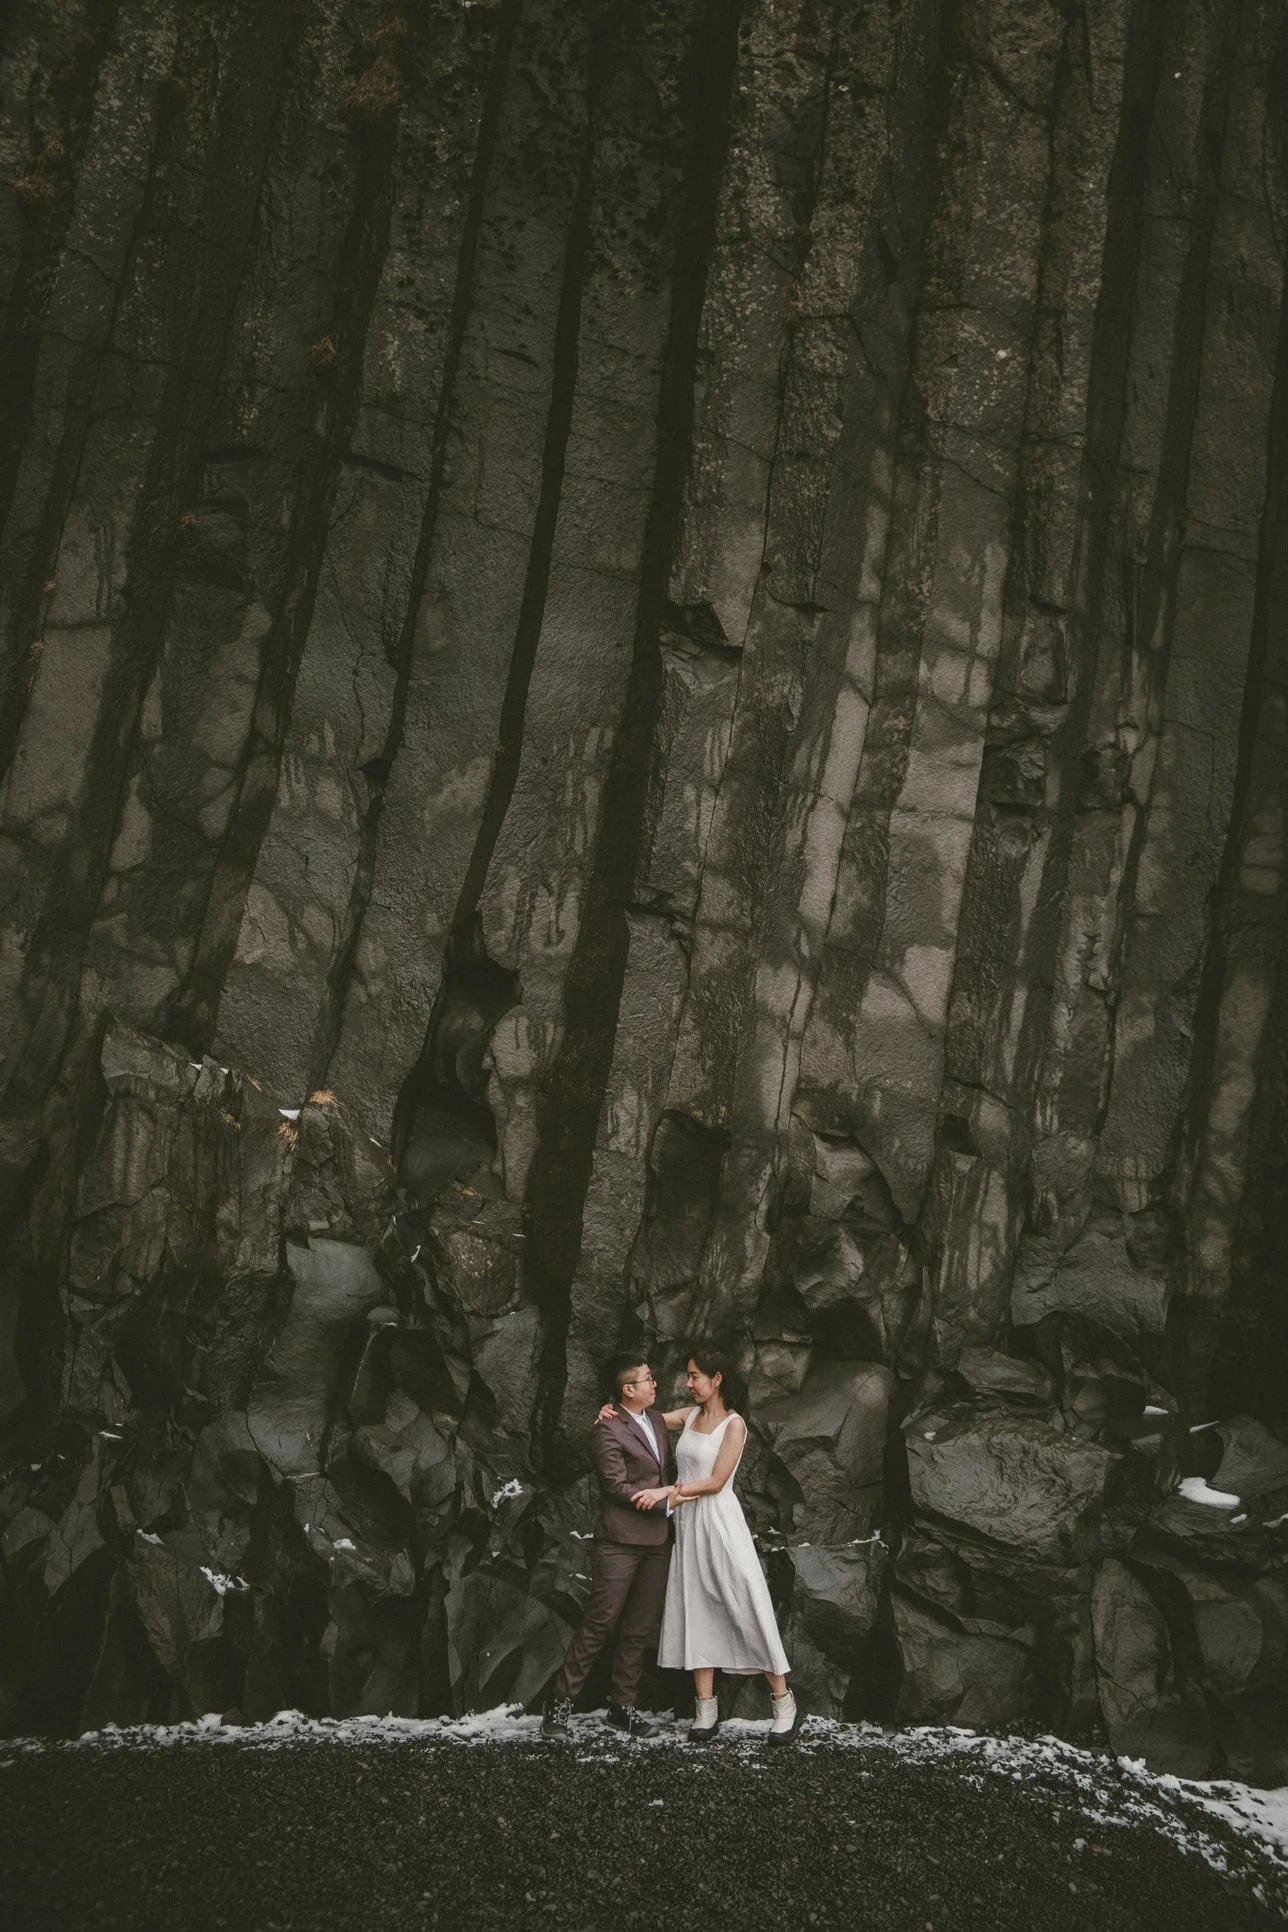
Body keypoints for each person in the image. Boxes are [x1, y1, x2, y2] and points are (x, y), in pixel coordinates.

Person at [601, 1345, 800, 1745]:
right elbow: (642, 1419)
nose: (688, 1383)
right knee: (698, 1607)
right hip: (689, 1527)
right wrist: (610, 1412)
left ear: (717, 1380)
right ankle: (705, 1710)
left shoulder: (734, 1425)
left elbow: (714, 1481)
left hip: (720, 1523)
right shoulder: (689, 1417)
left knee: (746, 1604)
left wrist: (664, 1492)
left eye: (695, 1376)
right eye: (689, 1376)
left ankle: (784, 1703)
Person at [541, 1353, 680, 1740]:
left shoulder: (654, 1419)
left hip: (657, 1541)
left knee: (637, 1629)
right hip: (619, 1542)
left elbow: (667, 1461)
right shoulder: (606, 1428)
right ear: (628, 1390)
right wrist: (668, 1496)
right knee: (600, 1623)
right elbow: (615, 1487)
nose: (656, 1385)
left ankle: (623, 1708)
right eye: (648, 1379)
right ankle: (558, 1705)